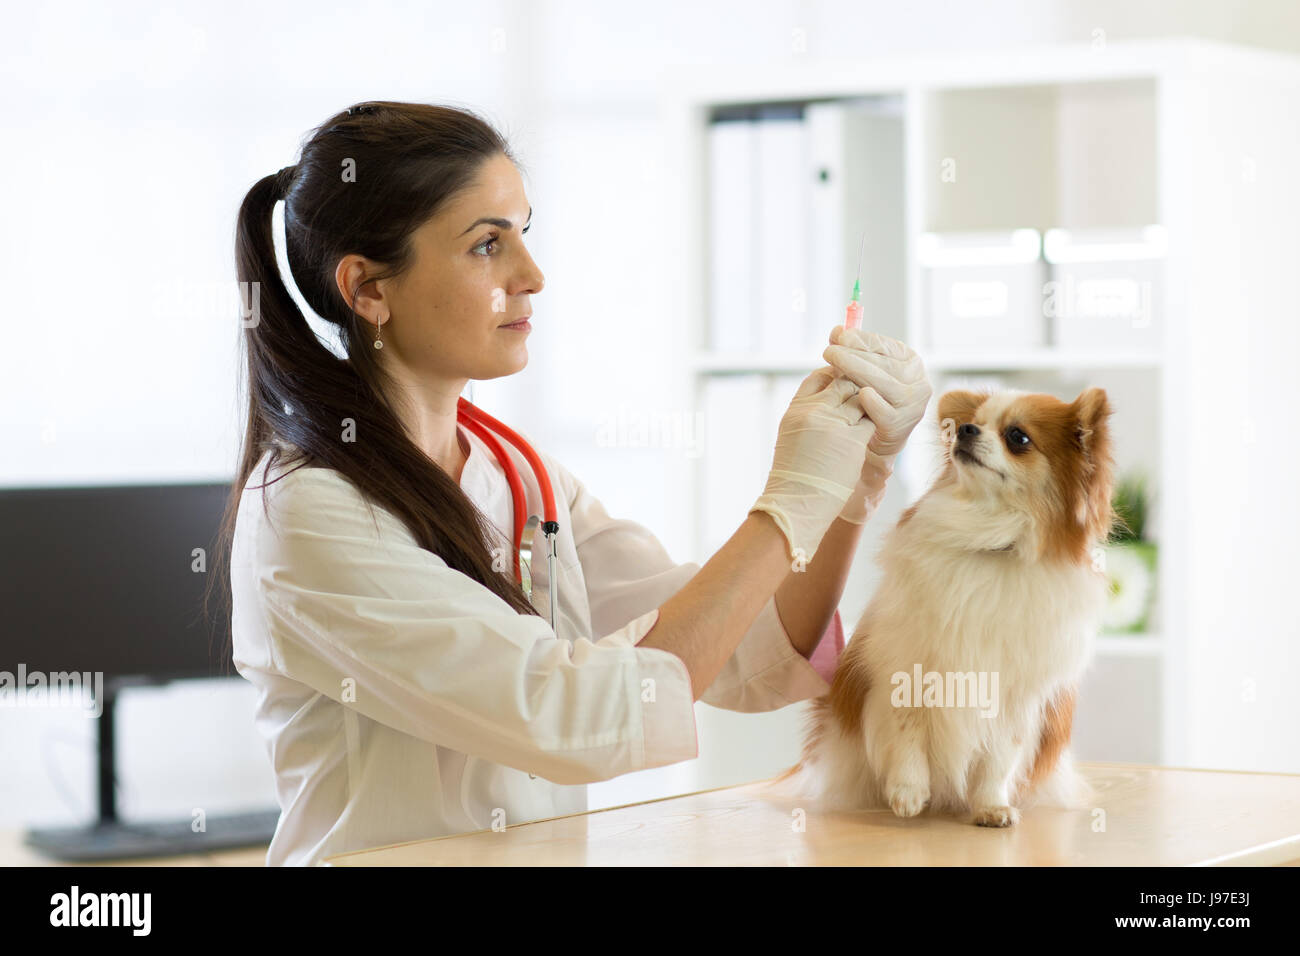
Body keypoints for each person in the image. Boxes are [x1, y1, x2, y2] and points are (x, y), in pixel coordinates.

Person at [211, 100, 932, 866]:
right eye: (487, 244)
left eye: (524, 233)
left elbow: (749, 654)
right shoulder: (310, 510)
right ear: (368, 289)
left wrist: (854, 481)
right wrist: (787, 505)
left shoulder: (518, 476)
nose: (532, 275)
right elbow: (572, 715)